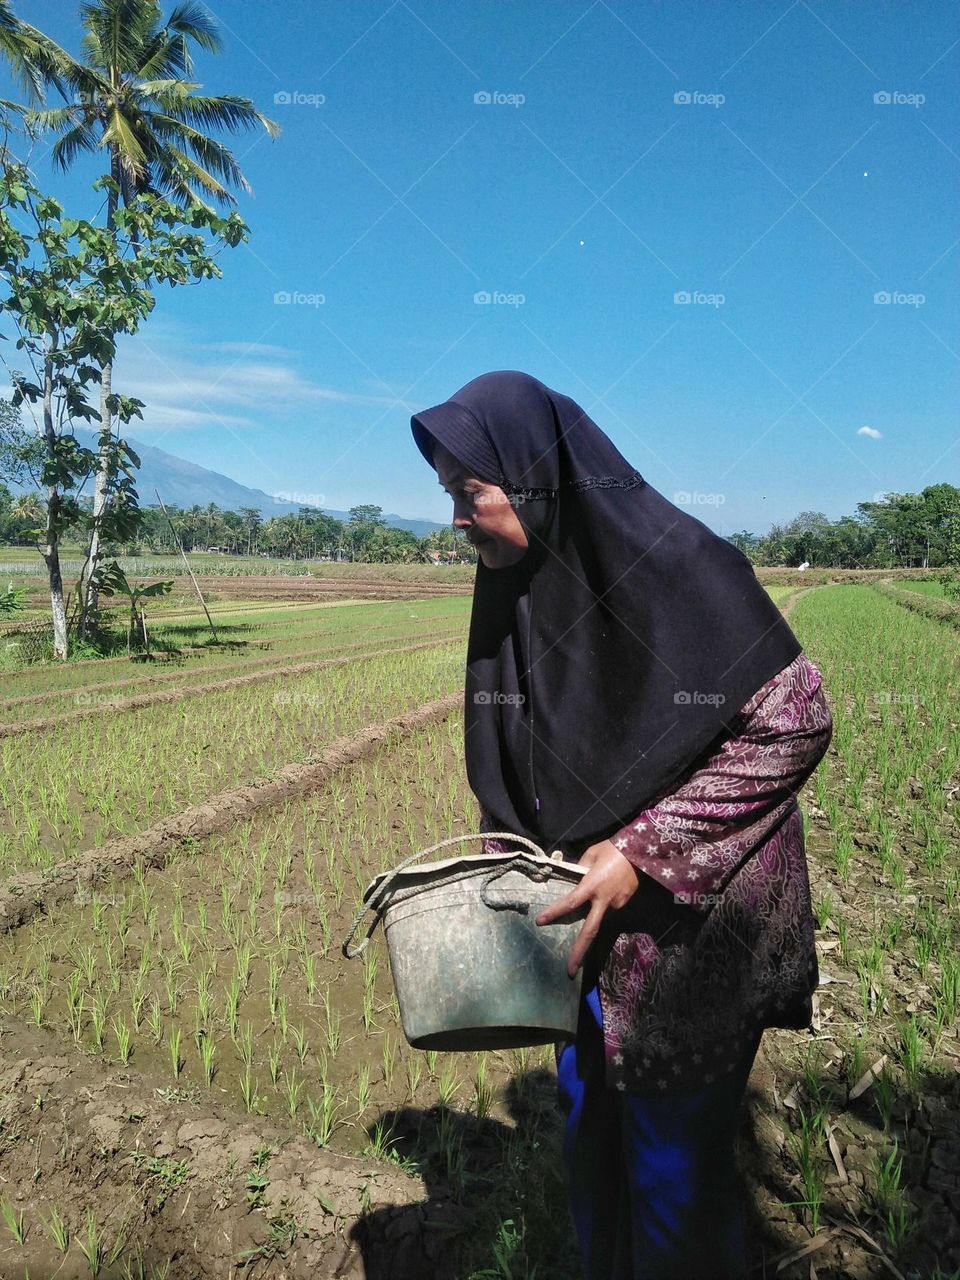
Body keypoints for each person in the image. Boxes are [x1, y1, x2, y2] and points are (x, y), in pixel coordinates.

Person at [410, 371, 833, 1280]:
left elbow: (795, 718)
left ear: (533, 478)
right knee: (592, 1141)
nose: (454, 518)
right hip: (579, 939)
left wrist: (642, 850)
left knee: (676, 1180)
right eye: (449, 494)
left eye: (467, 493)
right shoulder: (514, 593)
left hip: (690, 947)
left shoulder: (682, 567)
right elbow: (515, 759)